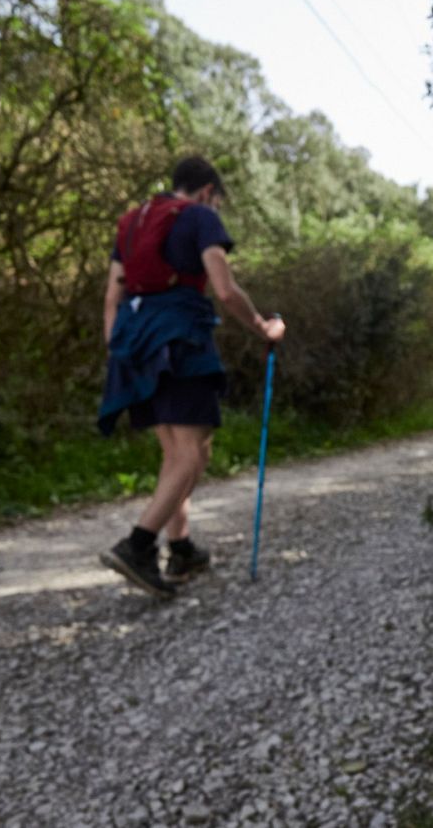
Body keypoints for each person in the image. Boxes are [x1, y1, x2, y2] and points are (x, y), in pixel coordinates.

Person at [96, 156, 285, 599]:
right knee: (191, 455)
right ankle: (138, 545)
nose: (216, 209)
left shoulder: (131, 223)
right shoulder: (200, 218)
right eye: (217, 201)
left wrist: (119, 350)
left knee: (175, 452)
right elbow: (223, 288)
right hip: (182, 342)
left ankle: (180, 549)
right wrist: (263, 327)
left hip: (135, 343)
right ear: (207, 192)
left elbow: (112, 296)